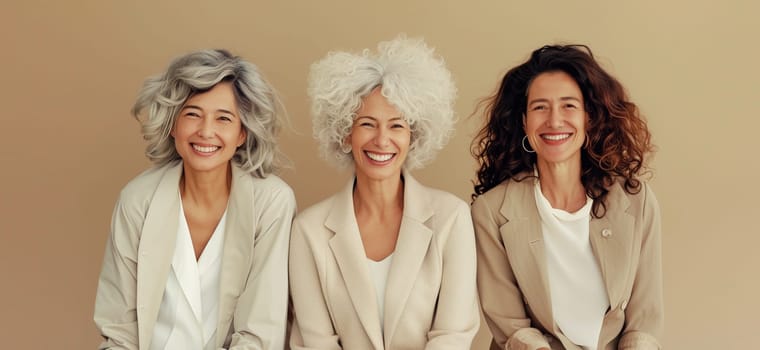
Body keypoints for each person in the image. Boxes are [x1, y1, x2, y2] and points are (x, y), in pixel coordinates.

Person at [94, 49, 296, 350]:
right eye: (193, 114)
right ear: (173, 124)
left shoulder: (272, 202)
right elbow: (119, 330)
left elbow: (260, 332)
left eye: (224, 118)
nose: (206, 131)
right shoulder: (137, 200)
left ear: (242, 133)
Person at [289, 35, 479, 350]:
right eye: (367, 124)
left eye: (396, 126)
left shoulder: (451, 217)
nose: (382, 140)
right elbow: (316, 341)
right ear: (345, 133)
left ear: (413, 136)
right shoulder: (308, 230)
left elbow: (452, 336)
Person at [470, 45, 663, 349]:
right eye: (540, 107)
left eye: (569, 105)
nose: (554, 120)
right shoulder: (490, 211)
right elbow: (511, 326)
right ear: (523, 121)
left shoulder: (636, 200)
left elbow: (644, 320)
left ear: (590, 117)